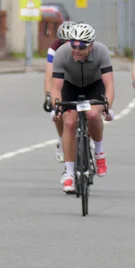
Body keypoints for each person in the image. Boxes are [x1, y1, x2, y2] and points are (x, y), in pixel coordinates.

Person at [51, 23, 115, 194]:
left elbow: (109, 84)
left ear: (91, 45)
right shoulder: (62, 53)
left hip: (94, 85)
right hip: (71, 86)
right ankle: (69, 174)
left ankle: (100, 153)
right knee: (70, 123)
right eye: (74, 45)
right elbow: (56, 87)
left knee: (93, 114)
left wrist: (107, 107)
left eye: (82, 47)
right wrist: (57, 107)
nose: (77, 50)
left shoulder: (101, 52)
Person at [44, 21, 76, 169]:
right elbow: (49, 75)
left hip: (79, 79)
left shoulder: (82, 46)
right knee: (57, 112)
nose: (66, 46)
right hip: (62, 79)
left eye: (70, 42)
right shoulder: (54, 48)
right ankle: (61, 138)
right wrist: (48, 97)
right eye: (63, 42)